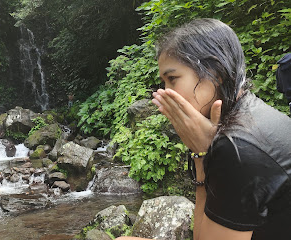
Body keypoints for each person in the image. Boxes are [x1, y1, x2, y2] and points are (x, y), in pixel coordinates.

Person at [117, 19, 291, 240]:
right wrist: (203, 152)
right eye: (164, 82)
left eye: (172, 79)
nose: (166, 93)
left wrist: (201, 155)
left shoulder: (237, 148)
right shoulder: (251, 113)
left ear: (216, 73)